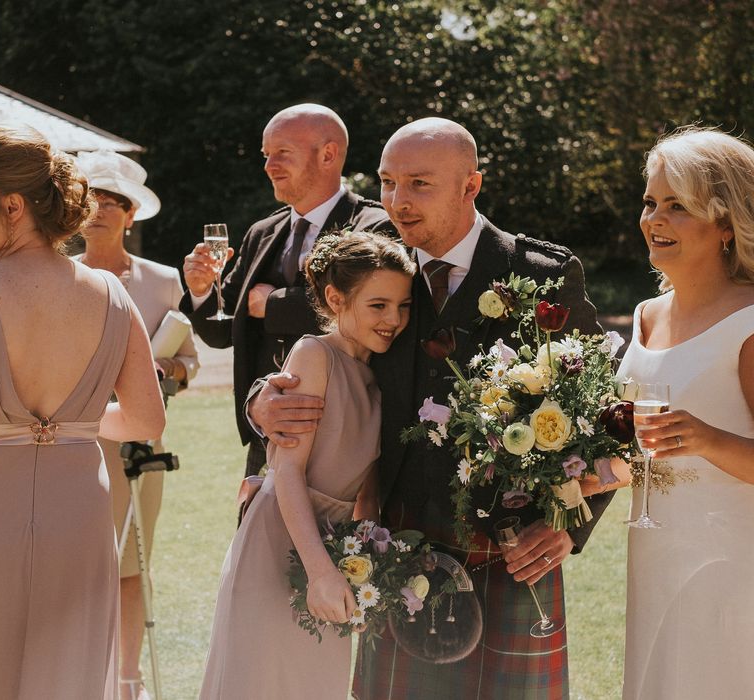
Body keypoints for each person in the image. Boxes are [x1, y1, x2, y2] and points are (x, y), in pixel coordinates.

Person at [250, 117, 610, 699]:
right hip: (398, 538)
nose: (396, 202)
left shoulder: (538, 274)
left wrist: (573, 523)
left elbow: (605, 407)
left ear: (471, 186)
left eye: (419, 184)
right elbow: (326, 356)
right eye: (388, 183)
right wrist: (260, 400)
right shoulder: (386, 274)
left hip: (510, 545)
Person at [0, 125, 165, 699]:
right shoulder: (113, 295)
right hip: (80, 514)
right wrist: (75, 425)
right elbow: (144, 423)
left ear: (12, 206)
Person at [199, 231, 416, 699]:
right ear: (336, 299)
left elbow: (368, 494)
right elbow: (289, 472)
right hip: (282, 537)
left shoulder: (379, 374)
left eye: (403, 306)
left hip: (336, 548)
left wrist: (366, 569)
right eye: (378, 305)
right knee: (261, 680)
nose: (394, 320)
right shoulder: (313, 354)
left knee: (315, 683)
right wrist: (321, 571)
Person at [181, 103, 392, 482]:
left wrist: (273, 305)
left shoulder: (374, 226)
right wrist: (200, 293)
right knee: (256, 539)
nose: (268, 165)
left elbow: (369, 313)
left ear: (328, 154)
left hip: (344, 432)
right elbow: (222, 331)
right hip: (267, 430)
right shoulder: (262, 232)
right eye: (266, 155)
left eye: (282, 153)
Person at [617, 127, 754, 699]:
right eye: (651, 202)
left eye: (678, 206)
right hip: (653, 551)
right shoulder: (646, 315)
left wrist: (705, 438)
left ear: (726, 223)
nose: (655, 219)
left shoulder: (748, 325)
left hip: (732, 563)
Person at [74, 149, 199, 700]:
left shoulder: (164, 281)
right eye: (90, 199)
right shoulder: (60, 274)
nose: (99, 209)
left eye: (113, 201)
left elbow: (189, 362)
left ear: (130, 214)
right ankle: (83, 676)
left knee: (132, 561)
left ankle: (129, 680)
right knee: (78, 564)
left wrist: (167, 366)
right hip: (74, 440)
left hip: (141, 444)